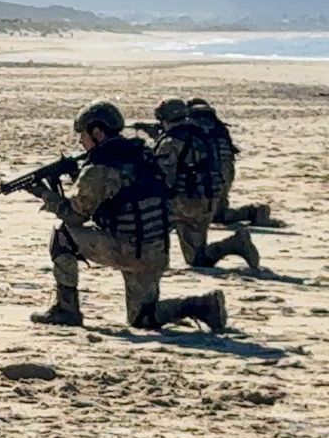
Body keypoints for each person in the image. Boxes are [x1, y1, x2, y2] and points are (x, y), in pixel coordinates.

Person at [29, 101, 227, 331]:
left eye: (83, 135)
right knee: (142, 317)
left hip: (128, 248)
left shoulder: (100, 167)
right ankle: (200, 306)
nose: (80, 142)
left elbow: (75, 215)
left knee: (63, 235)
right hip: (155, 248)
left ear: (97, 132)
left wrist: (45, 194)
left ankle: (66, 310)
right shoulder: (140, 153)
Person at [153, 99, 259, 270]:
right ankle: (234, 244)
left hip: (183, 203)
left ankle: (152, 263)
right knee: (197, 259)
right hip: (207, 202)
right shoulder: (205, 135)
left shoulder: (171, 141)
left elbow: (162, 178)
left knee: (148, 229)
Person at [187, 98, 277, 227]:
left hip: (208, 175)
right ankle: (253, 211)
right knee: (215, 209)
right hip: (225, 172)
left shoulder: (193, 128)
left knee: (204, 215)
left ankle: (250, 212)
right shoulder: (218, 128)